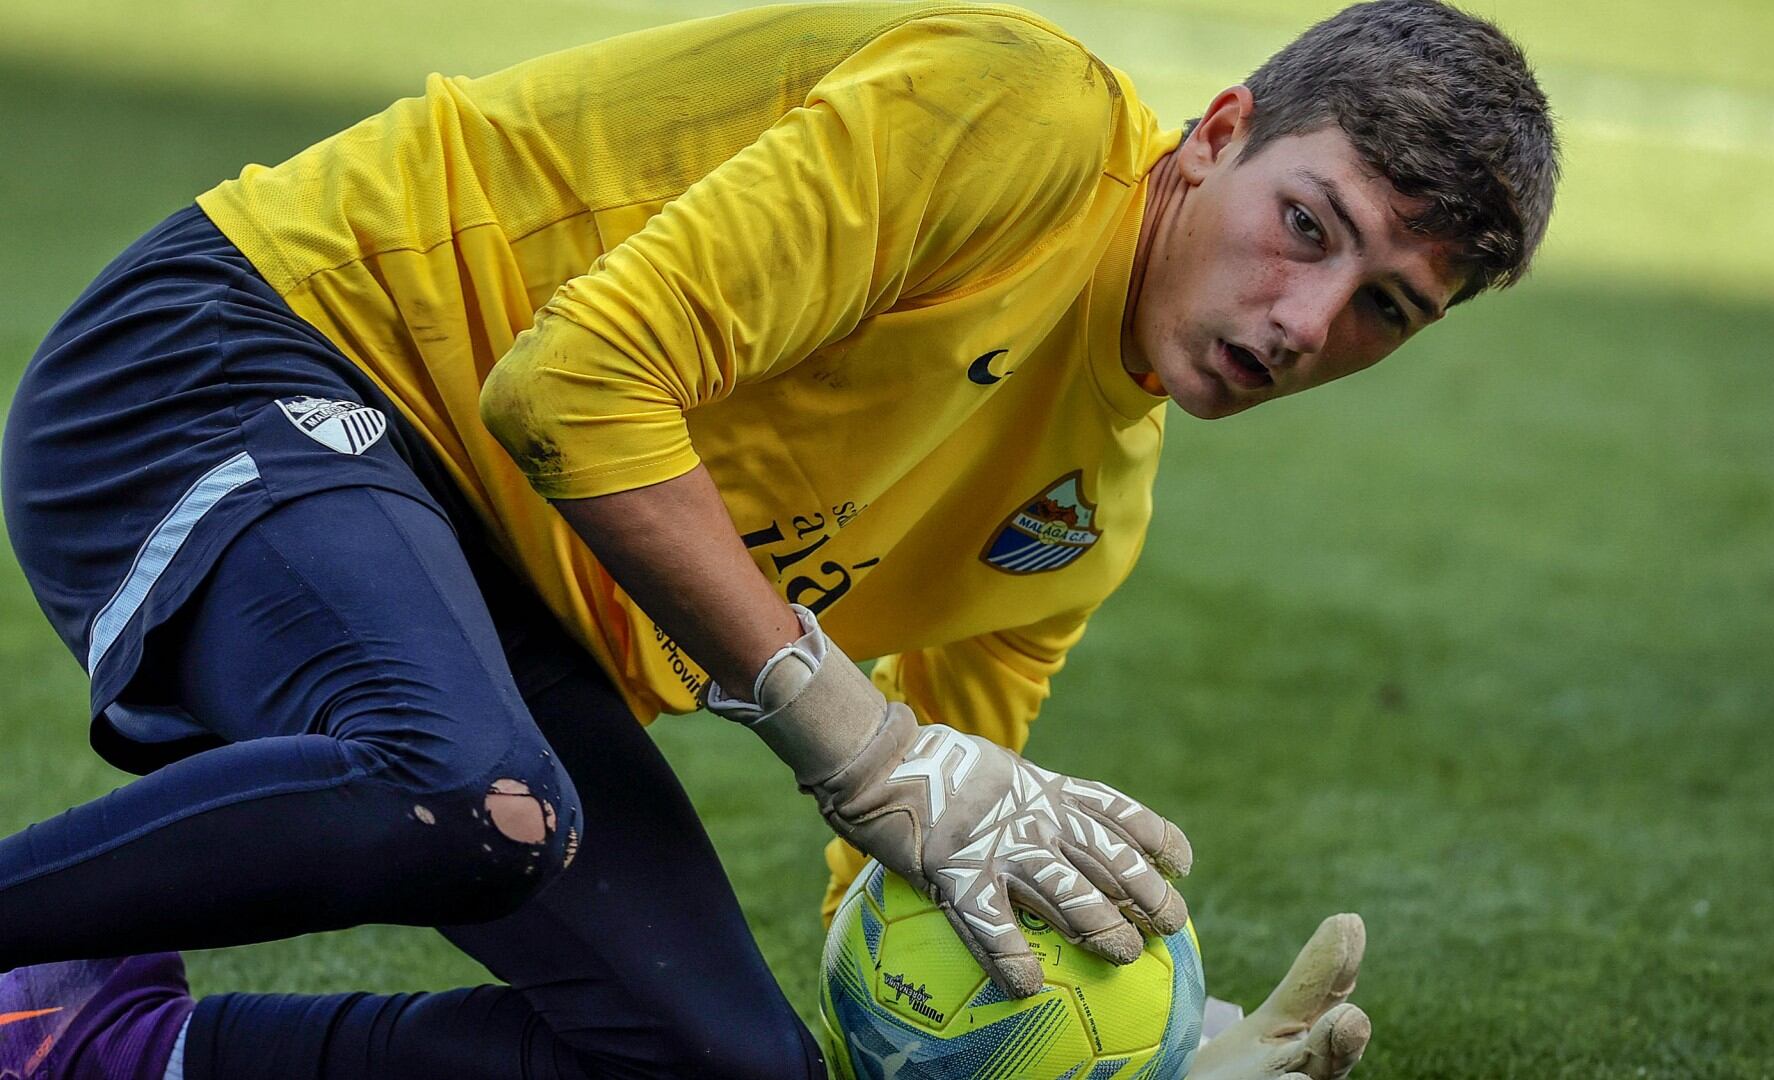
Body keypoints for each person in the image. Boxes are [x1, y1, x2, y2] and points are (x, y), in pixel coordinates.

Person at [0, 0, 1557, 1076]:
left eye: (1384, 312)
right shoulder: (1017, 113)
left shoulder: (1080, 525)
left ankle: (94, 1047)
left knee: (723, 1065)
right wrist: (859, 740)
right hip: (251, 357)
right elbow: (569, 383)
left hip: (489, 567)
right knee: (465, 791)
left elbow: (907, 898)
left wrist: (1118, 1051)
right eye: (1311, 224)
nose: (1306, 323)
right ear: (1217, 136)